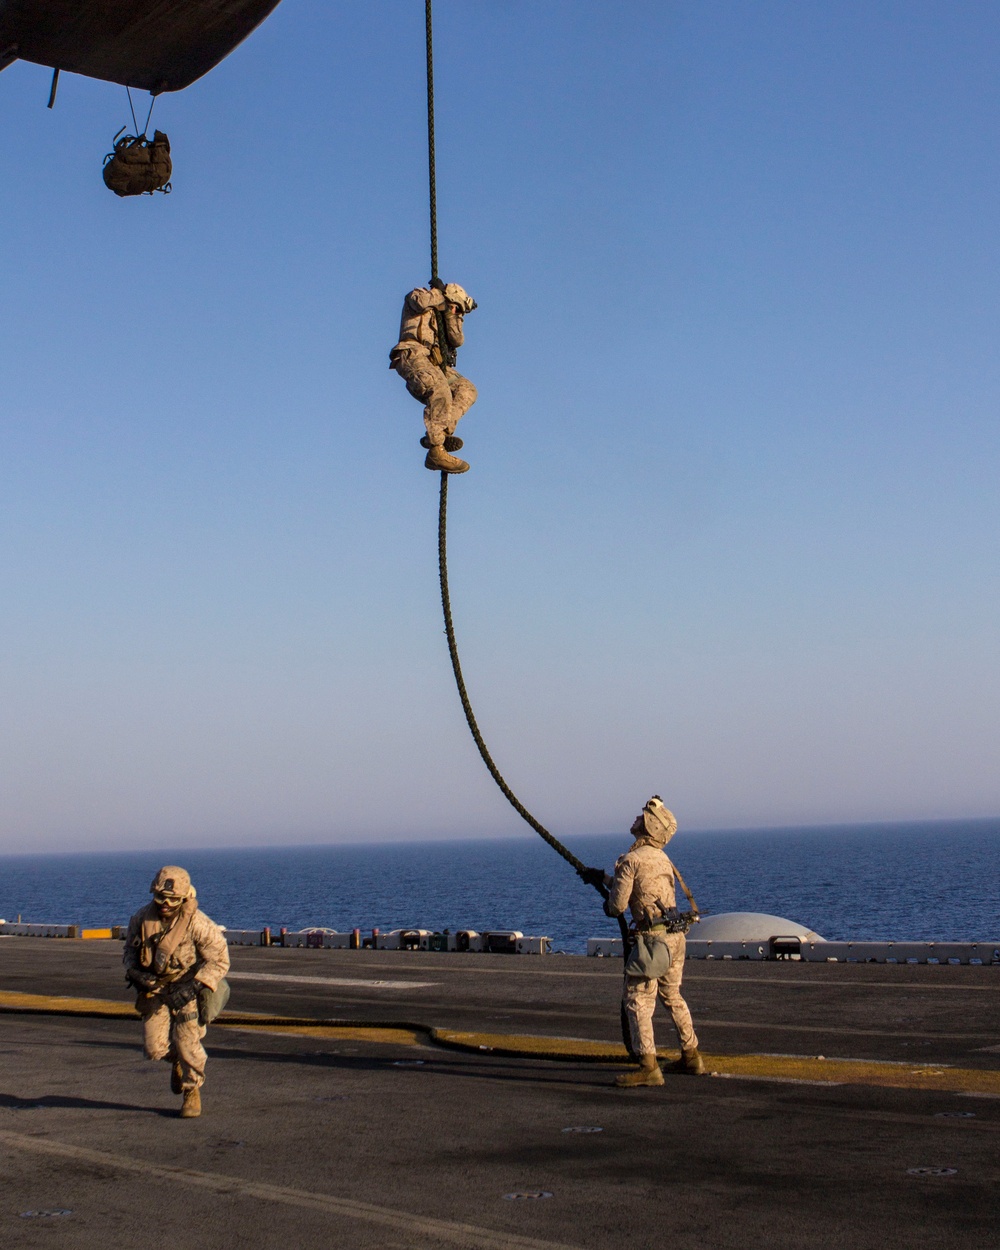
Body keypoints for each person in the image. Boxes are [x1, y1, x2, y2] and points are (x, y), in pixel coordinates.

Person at [580, 797, 704, 1088]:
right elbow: (644, 889)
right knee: (672, 996)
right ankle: (692, 1055)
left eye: (642, 816)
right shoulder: (661, 858)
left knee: (637, 1002)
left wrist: (607, 896)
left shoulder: (631, 859)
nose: (637, 818)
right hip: (675, 937)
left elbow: (617, 907)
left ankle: (649, 1067)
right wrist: (603, 878)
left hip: (651, 943)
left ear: (648, 826)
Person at [123, 866, 230, 1118]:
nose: (166, 904)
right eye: (161, 897)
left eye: (173, 899)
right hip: (155, 988)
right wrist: (136, 974)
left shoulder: (198, 923)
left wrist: (194, 985)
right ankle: (177, 1063)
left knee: (188, 1044)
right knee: (154, 1048)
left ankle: (191, 1090)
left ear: (184, 898)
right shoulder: (141, 919)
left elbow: (220, 960)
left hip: (186, 988)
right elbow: (128, 952)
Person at [390, 280, 478, 473]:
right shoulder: (418, 295)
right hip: (412, 354)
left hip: (433, 363)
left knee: (467, 390)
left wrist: (452, 313)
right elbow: (420, 302)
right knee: (440, 390)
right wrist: (441, 294)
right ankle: (436, 450)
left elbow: (457, 339)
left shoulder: (444, 315)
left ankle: (442, 430)